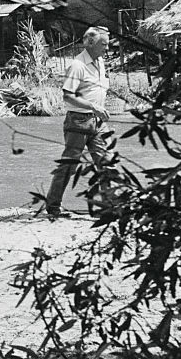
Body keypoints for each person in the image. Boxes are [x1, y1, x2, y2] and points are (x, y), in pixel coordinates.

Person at [45, 27, 111, 219]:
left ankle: (110, 207)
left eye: (107, 44)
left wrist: (97, 109)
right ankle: (53, 206)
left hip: (98, 122)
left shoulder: (100, 61)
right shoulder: (77, 65)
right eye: (103, 44)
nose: (106, 48)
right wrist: (93, 106)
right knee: (69, 166)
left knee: (107, 163)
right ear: (90, 44)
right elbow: (67, 97)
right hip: (79, 121)